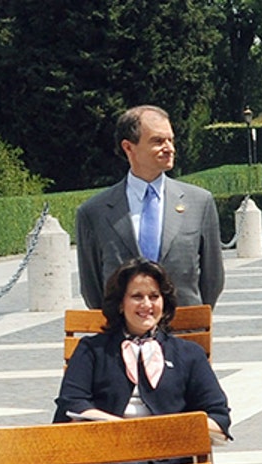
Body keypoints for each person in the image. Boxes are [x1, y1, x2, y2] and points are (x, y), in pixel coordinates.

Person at [56, 258, 229, 439]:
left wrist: (170, 430)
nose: (146, 304)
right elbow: (72, 403)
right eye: (137, 296)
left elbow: (218, 416)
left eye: (154, 296)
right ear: (120, 303)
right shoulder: (92, 350)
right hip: (107, 444)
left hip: (169, 447)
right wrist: (125, 429)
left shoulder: (189, 353)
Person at [76, 106, 225, 312]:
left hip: (184, 327)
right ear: (129, 147)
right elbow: (92, 288)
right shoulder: (94, 212)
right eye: (158, 141)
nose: (169, 148)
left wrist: (192, 320)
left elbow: (213, 278)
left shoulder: (199, 203)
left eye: (170, 140)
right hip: (122, 330)